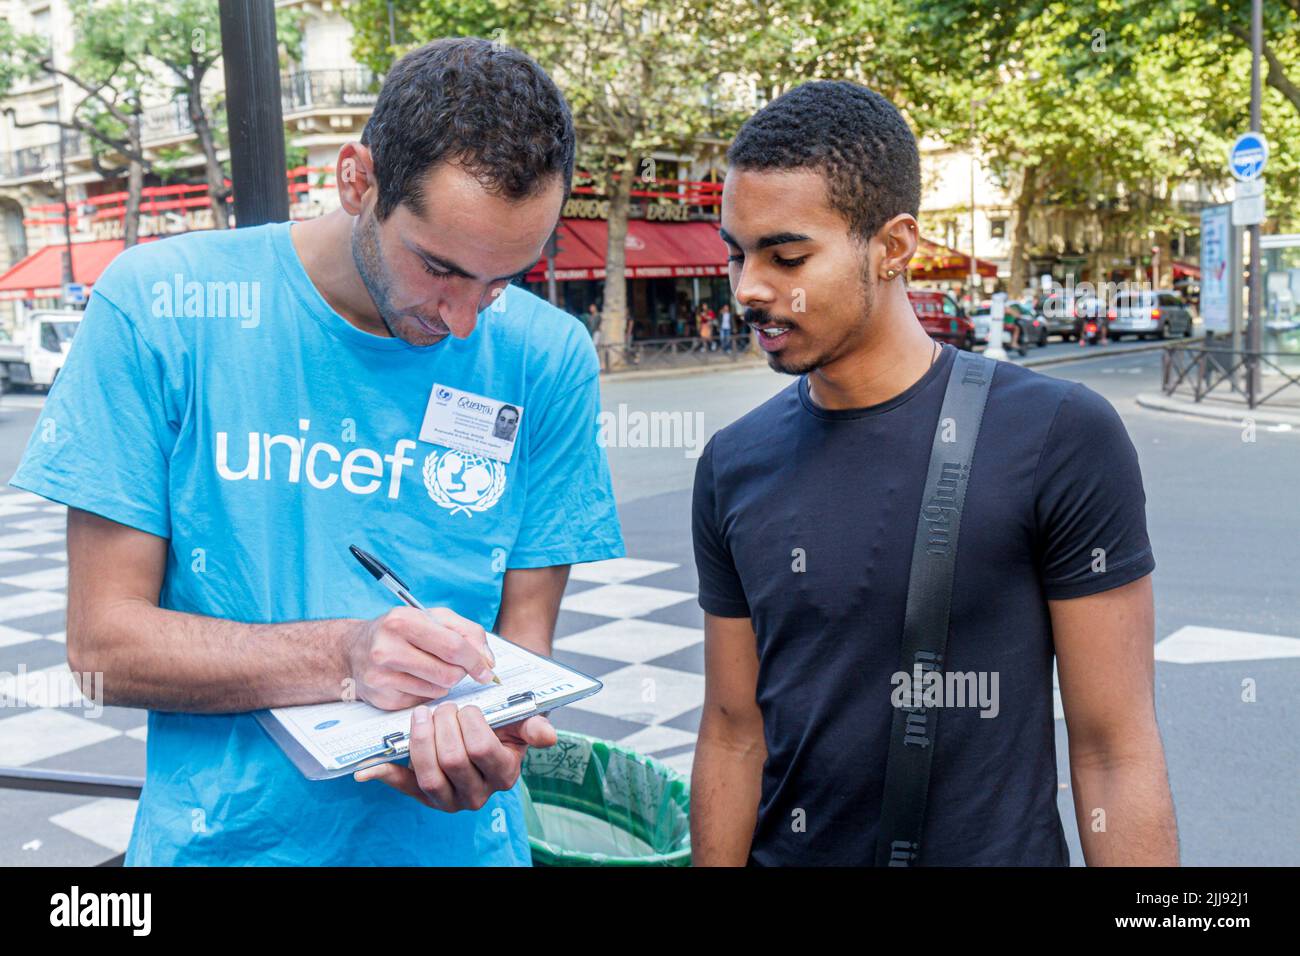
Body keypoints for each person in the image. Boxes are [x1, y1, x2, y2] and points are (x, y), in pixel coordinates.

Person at [9, 38, 625, 866]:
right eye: (439, 268)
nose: (466, 320)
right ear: (356, 179)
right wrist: (345, 658)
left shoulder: (548, 357)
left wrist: (494, 739)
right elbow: (101, 650)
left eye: (506, 279)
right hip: (223, 848)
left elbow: (522, 653)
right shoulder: (162, 306)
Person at [692, 81, 1176, 866]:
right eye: (736, 253)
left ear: (892, 247)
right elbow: (732, 730)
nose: (749, 287)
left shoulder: (1059, 435)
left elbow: (1113, 749)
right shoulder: (731, 462)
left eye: (787, 256)